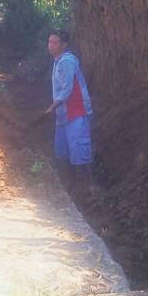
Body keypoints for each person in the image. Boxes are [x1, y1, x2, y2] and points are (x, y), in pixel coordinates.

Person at [45, 29, 96, 189]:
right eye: (49, 42)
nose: (50, 45)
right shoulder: (58, 62)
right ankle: (71, 186)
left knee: (80, 150)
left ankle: (90, 187)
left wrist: (52, 107)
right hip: (64, 113)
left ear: (64, 45)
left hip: (76, 111)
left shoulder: (66, 62)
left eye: (55, 43)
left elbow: (67, 89)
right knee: (63, 152)